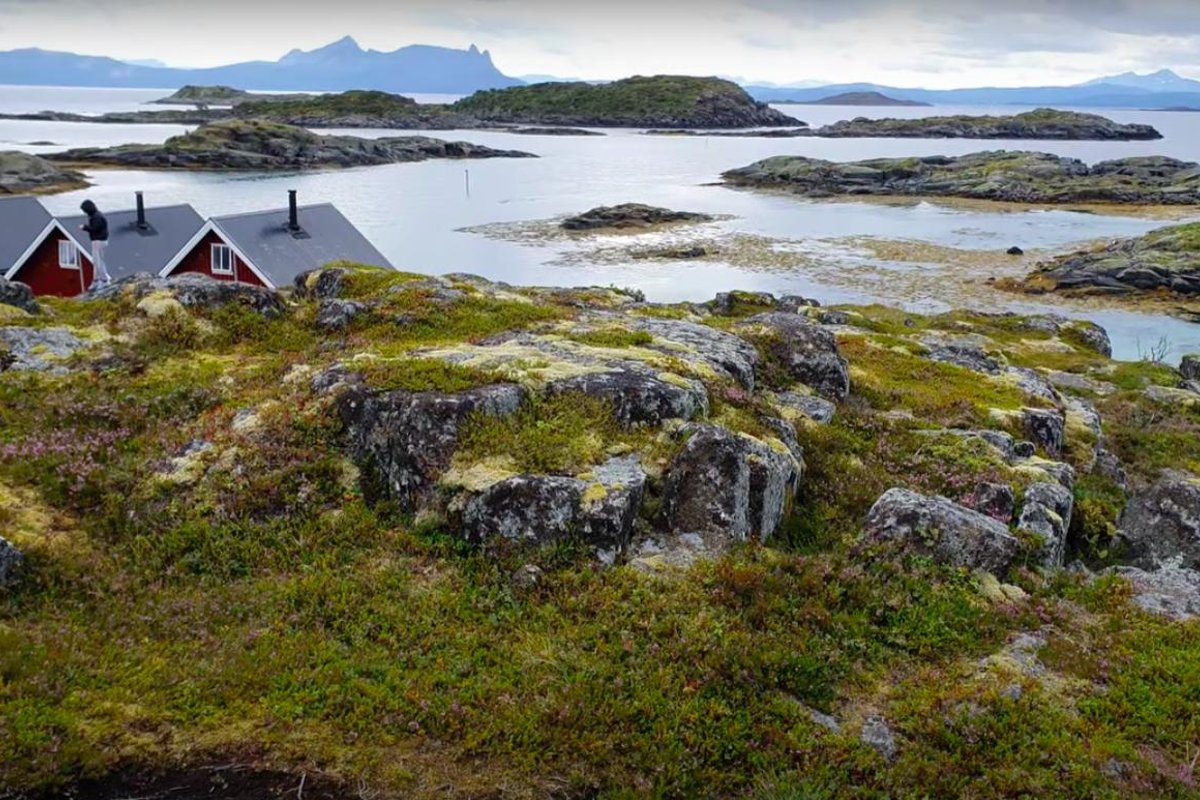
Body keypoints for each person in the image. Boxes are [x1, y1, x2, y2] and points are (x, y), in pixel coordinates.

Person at [79, 199, 112, 289]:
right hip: (101, 240)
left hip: (98, 240)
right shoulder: (98, 215)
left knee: (98, 261)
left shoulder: (96, 217)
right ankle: (97, 279)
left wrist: (84, 227)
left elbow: (94, 228)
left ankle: (104, 280)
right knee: (97, 260)